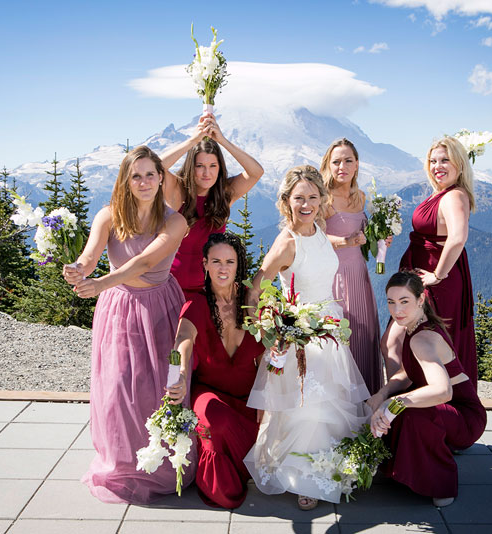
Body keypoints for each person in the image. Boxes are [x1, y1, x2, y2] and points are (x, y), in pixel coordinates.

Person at [63, 145, 194, 504]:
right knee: (119, 386)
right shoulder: (108, 216)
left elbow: (145, 262)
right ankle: (121, 463)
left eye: (151, 174)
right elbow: (90, 256)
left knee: (159, 385)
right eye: (136, 175)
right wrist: (79, 270)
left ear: (161, 177)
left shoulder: (175, 221)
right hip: (119, 310)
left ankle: (164, 464)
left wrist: (101, 282)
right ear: (126, 179)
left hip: (160, 308)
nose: (145, 181)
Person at [243, 165, 370, 511]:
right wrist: (268, 332)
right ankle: (303, 476)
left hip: (331, 327)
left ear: (322, 199)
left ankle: (329, 465)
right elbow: (257, 288)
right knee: (309, 408)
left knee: (333, 403)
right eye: (299, 198)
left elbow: (322, 249)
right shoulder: (287, 241)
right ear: (286, 200)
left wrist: (349, 241)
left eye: (313, 197)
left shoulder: (319, 228)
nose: (307, 204)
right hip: (303, 334)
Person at [369, 271, 486, 507]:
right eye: (391, 302)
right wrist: (382, 394)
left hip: (464, 417)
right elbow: (407, 373)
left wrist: (394, 402)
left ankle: (441, 485)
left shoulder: (421, 339)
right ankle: (403, 467)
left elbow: (444, 391)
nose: (396, 310)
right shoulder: (416, 326)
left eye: (404, 302)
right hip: (448, 410)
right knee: (397, 405)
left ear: (421, 300)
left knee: (411, 412)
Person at [166, 232, 266, 509]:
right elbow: (182, 340)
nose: (223, 268)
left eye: (230, 262)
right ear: (205, 264)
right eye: (216, 261)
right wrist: (181, 375)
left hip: (251, 399)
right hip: (210, 394)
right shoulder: (196, 304)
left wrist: (266, 395)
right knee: (216, 420)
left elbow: (271, 355)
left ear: (238, 266)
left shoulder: (254, 304)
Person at [399, 136, 478, 387]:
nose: (437, 166)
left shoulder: (454, 196)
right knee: (411, 342)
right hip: (421, 281)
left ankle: (434, 408)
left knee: (428, 344)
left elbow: (457, 237)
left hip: (437, 283)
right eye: (433, 161)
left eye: (445, 160)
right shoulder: (441, 193)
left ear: (460, 164)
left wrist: (437, 276)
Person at [161, 112, 264, 294]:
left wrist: (222, 140)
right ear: (191, 167)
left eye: (212, 166)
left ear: (220, 167)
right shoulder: (177, 191)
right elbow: (154, 168)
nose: (206, 173)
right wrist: (193, 141)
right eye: (200, 166)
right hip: (172, 289)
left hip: (209, 291)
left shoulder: (224, 193)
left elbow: (256, 172)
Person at [321, 138, 385, 394]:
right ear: (328, 164)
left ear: (357, 164)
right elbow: (312, 236)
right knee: (341, 338)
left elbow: (363, 235)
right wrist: (343, 241)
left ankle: (367, 408)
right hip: (334, 276)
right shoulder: (323, 197)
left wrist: (379, 236)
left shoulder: (361, 197)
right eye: (336, 161)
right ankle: (342, 407)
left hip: (359, 275)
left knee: (363, 334)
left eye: (348, 160)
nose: (342, 166)